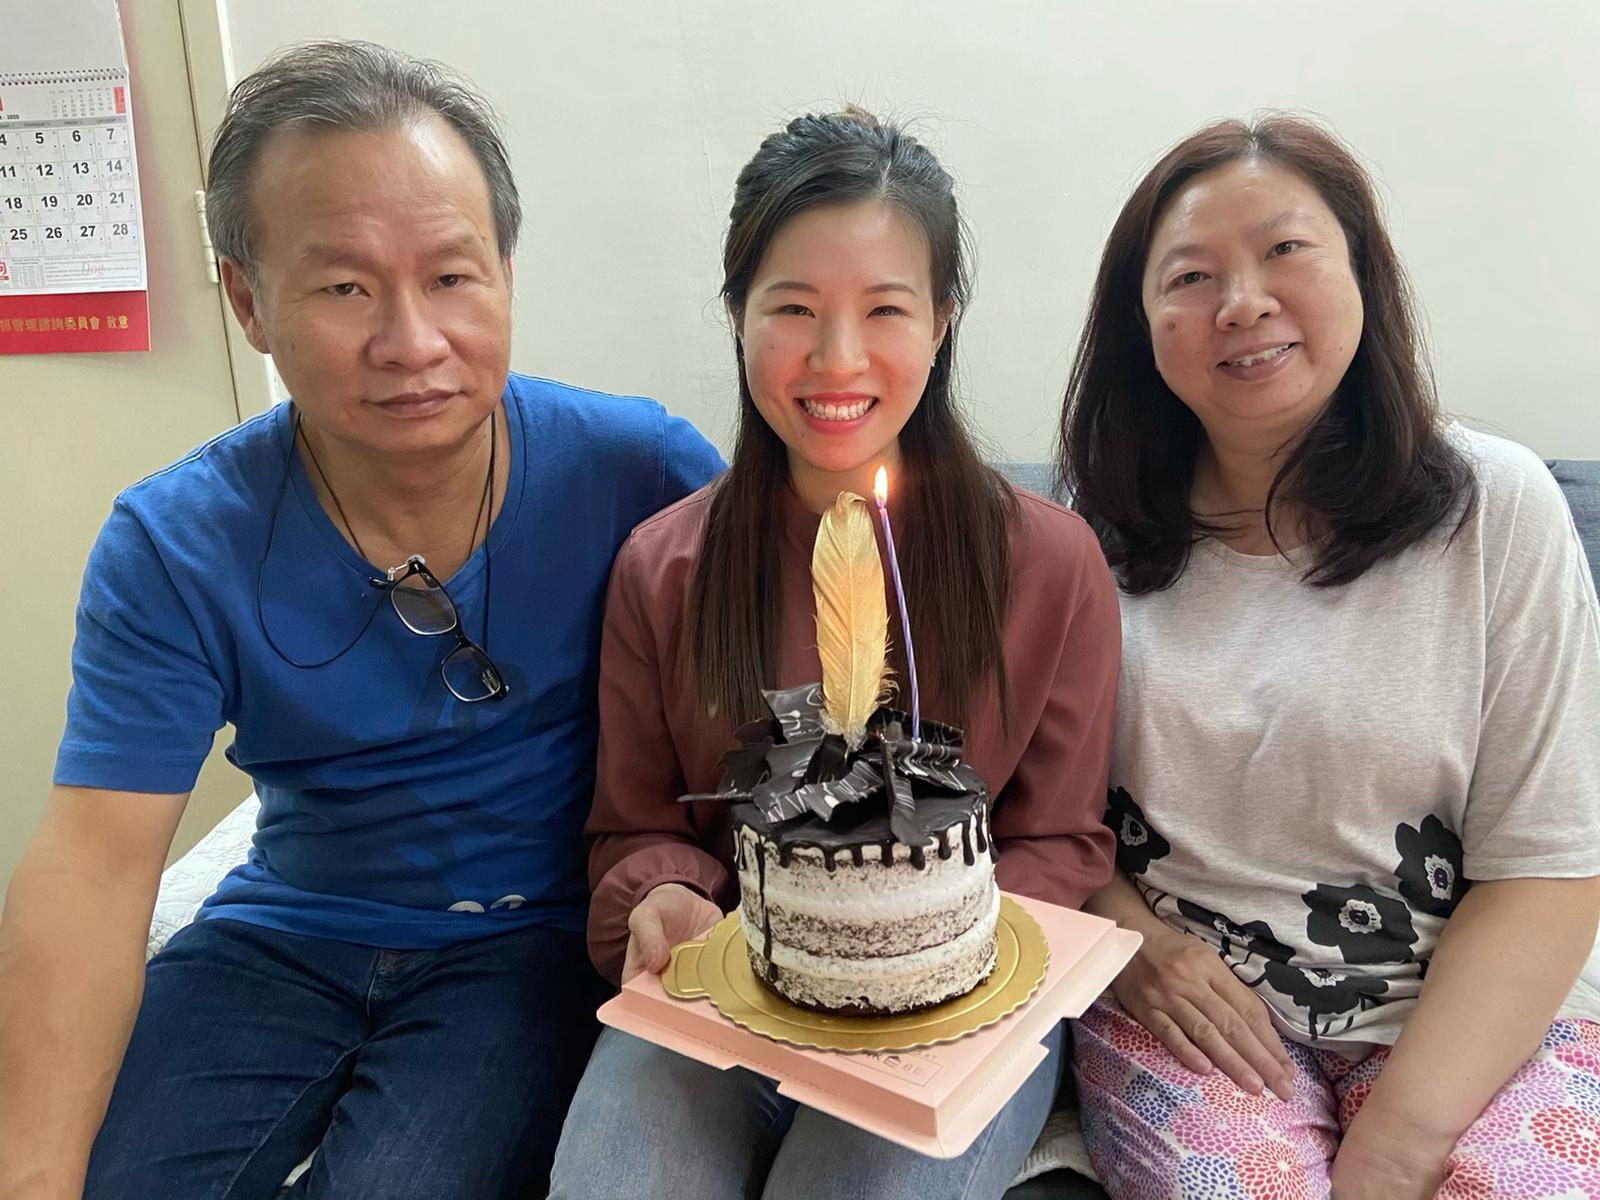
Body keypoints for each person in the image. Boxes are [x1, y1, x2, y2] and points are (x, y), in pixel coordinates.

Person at [0, 40, 722, 1200]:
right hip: (285, 931)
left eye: (451, 276)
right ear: (248, 301)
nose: (411, 342)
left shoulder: (643, 473)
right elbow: (93, 864)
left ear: (505, 273)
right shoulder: (175, 541)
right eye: (343, 287)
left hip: (530, 941)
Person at [545, 108, 1121, 1200]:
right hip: (734, 976)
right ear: (737, 315)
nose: (837, 359)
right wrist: (663, 896)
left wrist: (917, 943)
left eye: (886, 309)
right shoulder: (664, 568)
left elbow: (1060, 836)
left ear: (943, 321)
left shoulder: (1050, 566)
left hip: (967, 1001)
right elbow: (636, 823)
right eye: (794, 309)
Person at [1059, 114, 1600, 1199]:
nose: (1242, 301)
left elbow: (1548, 861)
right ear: (1141, 326)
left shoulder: (1497, 508)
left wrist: (1394, 1153)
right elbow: (1038, 818)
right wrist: (1137, 949)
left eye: (1285, 250)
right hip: (1198, 1013)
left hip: (1477, 1011)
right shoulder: (1084, 529)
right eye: (1190, 276)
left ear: (1363, 270)